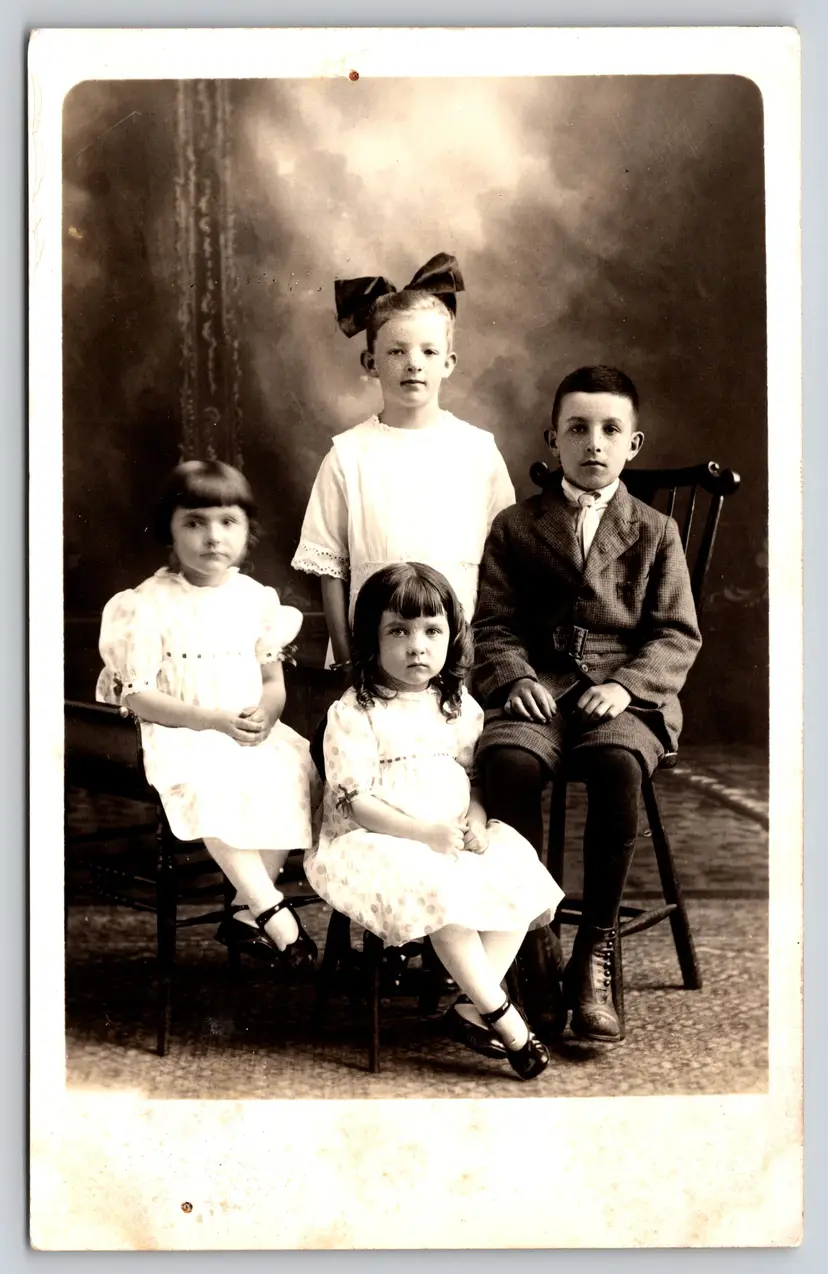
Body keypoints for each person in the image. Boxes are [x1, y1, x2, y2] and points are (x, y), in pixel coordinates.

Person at [473, 366, 703, 1042]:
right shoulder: (517, 526)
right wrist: (513, 676)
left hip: (624, 690)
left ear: (633, 444)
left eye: (610, 429)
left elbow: (676, 631)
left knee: (616, 770)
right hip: (539, 686)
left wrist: (627, 685)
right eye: (577, 428)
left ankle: (594, 954)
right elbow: (492, 623)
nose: (593, 443)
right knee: (509, 764)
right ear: (553, 438)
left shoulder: (655, 531)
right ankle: (532, 947)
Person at [304, 562, 564, 1080]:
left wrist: (478, 822)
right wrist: (423, 833)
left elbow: (472, 781)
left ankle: (474, 1006)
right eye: (398, 631)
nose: (417, 646)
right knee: (440, 894)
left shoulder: (458, 706)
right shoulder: (355, 711)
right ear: (371, 640)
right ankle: (506, 1021)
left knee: (516, 870)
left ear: (452, 636)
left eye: (431, 631)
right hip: (376, 839)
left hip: (446, 834)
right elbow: (356, 803)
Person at [96, 460, 320, 968]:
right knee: (211, 785)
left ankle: (243, 916)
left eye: (227, 522)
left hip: (242, 732)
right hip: (182, 732)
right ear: (169, 531)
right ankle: (272, 910)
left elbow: (271, 684)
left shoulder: (256, 601)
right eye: (194, 523)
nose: (212, 537)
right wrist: (212, 721)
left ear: (247, 531)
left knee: (295, 774)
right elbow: (137, 695)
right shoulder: (146, 605)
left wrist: (266, 714)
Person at [291, 253, 515, 671]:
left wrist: (479, 660)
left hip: (458, 654)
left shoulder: (478, 451)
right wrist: (346, 659)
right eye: (397, 351)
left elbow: (500, 568)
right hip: (370, 654)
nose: (413, 363)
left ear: (448, 364)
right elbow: (331, 570)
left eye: (429, 351)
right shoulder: (348, 455)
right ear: (371, 363)